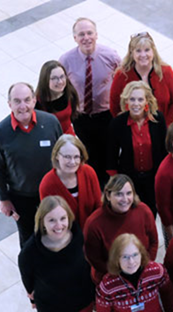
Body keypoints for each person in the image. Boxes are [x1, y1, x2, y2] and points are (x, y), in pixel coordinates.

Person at [0, 82, 63, 246]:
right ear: (9, 104)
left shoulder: (51, 123)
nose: (23, 106)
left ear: (34, 101)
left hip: (52, 193)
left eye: (26, 100)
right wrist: (4, 199)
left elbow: (62, 155)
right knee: (29, 241)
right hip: (22, 198)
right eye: (17, 101)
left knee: (56, 234)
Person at [60, 17, 121, 186]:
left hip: (106, 115)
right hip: (81, 116)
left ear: (96, 35)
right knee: (88, 154)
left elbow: (124, 78)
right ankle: (94, 185)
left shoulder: (111, 56)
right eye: (81, 34)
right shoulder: (66, 60)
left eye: (89, 33)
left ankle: (111, 186)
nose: (86, 37)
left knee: (109, 152)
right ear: (75, 38)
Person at [106, 80, 167, 217]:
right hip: (129, 180)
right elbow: (111, 155)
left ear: (147, 101)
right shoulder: (118, 123)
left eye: (140, 99)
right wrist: (115, 182)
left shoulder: (158, 119)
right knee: (131, 215)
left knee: (151, 213)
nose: (136, 103)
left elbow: (164, 150)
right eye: (132, 99)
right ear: (127, 101)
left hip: (153, 178)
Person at [84, 174, 158, 284]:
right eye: (119, 194)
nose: (125, 199)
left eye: (129, 193)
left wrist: (145, 266)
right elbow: (94, 258)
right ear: (108, 195)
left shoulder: (144, 211)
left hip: (141, 272)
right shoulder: (94, 223)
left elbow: (153, 242)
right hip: (110, 277)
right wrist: (117, 275)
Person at [109, 31, 173, 125]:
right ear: (132, 53)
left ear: (153, 51)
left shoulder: (166, 72)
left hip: (162, 129)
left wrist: (165, 127)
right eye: (138, 51)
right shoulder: (121, 75)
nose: (143, 55)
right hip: (133, 131)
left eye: (147, 50)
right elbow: (114, 105)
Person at [39, 134, 101, 228]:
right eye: (67, 157)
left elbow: (99, 206)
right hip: (65, 237)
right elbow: (50, 220)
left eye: (76, 157)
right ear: (56, 156)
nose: (72, 162)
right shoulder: (47, 185)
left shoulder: (89, 173)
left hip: (92, 232)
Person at [35, 60, 79, 135]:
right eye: (54, 78)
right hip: (49, 139)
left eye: (62, 76)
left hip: (68, 137)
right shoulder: (37, 102)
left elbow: (73, 116)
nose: (60, 82)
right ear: (45, 80)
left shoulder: (70, 92)